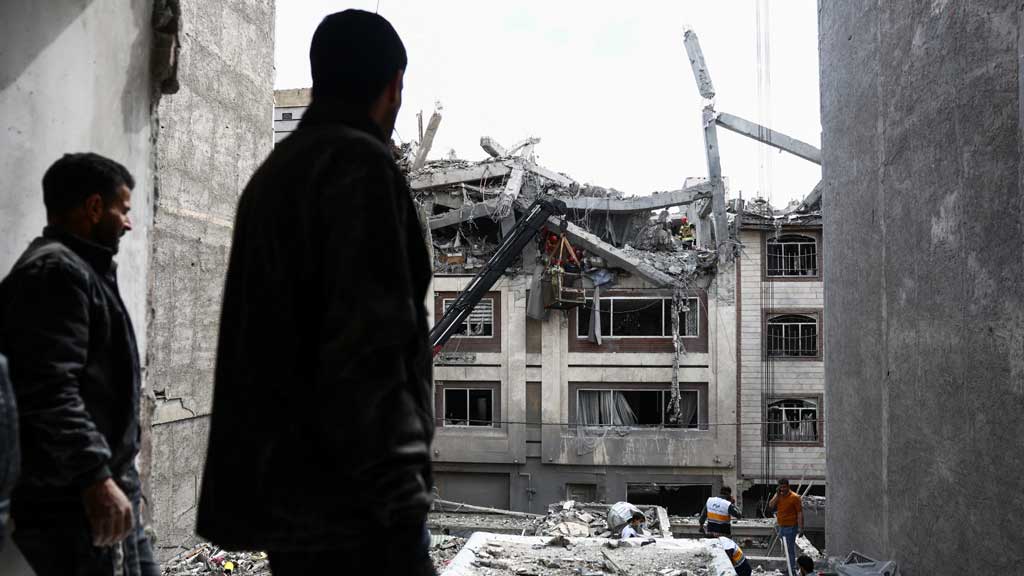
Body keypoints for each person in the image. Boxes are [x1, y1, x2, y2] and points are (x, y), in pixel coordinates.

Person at [195, 10, 435, 575]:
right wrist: (401, 499)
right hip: (356, 508)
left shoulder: (273, 176)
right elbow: (369, 351)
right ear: (393, 85)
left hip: (289, 505)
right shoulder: (359, 167)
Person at [0, 153, 158, 575]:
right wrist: (96, 477)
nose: (128, 223)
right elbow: (49, 390)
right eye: (123, 210)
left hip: (99, 492)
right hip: (76, 504)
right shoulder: (57, 273)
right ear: (93, 208)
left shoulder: (81, 270)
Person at [769, 478, 804, 574]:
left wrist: (801, 528)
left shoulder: (795, 497)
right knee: (786, 549)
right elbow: (771, 505)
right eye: (781, 487)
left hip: (791, 527)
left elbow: (800, 513)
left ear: (788, 486)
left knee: (789, 550)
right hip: (781, 526)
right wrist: (777, 495)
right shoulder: (778, 496)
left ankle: (791, 569)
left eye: (784, 487)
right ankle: (789, 567)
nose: (783, 489)